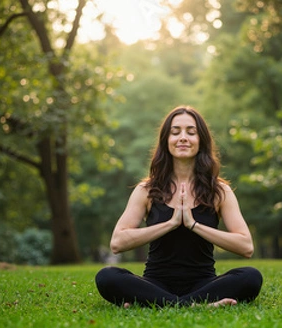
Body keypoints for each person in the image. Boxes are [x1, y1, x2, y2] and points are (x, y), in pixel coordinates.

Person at [95, 106, 263, 307]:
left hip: (204, 283)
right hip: (155, 283)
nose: (183, 138)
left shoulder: (219, 191)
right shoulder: (146, 190)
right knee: (107, 276)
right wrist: (171, 223)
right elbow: (117, 242)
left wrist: (193, 225)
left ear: (201, 141)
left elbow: (246, 246)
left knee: (251, 276)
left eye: (191, 132)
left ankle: (157, 303)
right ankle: (195, 305)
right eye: (175, 132)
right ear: (166, 141)